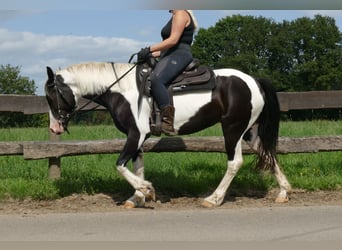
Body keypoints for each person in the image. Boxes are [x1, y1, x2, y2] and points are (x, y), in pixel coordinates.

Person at [137, 10, 198, 135]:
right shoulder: (175, 15)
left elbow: (173, 40)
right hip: (170, 53)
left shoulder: (181, 13)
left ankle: (167, 122)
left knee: (157, 79)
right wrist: (149, 54)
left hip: (180, 54)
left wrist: (149, 48)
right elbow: (168, 48)